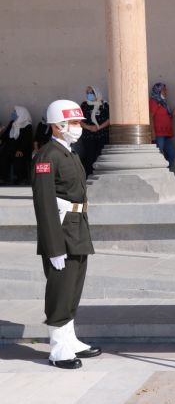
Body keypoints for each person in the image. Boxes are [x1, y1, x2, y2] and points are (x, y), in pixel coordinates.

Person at [31, 99, 102, 369]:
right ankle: (58, 348)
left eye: (78, 122)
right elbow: (44, 203)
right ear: (58, 125)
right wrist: (53, 246)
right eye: (73, 122)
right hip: (61, 231)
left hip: (77, 226)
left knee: (73, 287)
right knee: (60, 290)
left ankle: (70, 339)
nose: (78, 127)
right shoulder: (47, 156)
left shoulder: (69, 153)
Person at [78, 86, 110, 176]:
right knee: (90, 157)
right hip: (88, 136)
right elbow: (79, 120)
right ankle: (90, 175)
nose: (89, 95)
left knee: (102, 156)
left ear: (96, 93)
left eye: (91, 92)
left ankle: (102, 175)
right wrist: (89, 127)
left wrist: (99, 127)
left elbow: (110, 119)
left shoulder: (104, 105)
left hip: (102, 135)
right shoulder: (84, 105)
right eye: (87, 93)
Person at [149, 82, 175, 169]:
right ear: (158, 91)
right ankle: (159, 173)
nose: (166, 92)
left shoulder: (163, 103)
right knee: (159, 155)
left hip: (166, 134)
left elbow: (166, 117)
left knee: (171, 153)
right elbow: (150, 117)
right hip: (158, 134)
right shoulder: (153, 102)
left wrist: (173, 114)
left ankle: (166, 171)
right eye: (164, 90)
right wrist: (153, 132)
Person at [0, 106, 34, 185]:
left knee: (18, 158)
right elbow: (6, 135)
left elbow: (27, 141)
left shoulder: (27, 126)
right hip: (10, 148)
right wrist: (1, 139)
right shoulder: (12, 123)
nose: (13, 113)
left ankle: (21, 178)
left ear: (21, 113)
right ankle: (4, 178)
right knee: (3, 156)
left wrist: (20, 150)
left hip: (21, 149)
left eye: (15, 112)